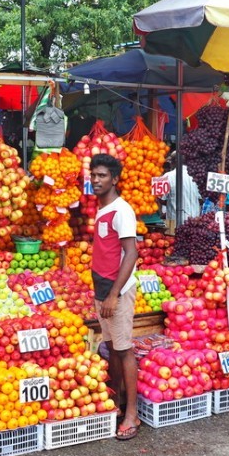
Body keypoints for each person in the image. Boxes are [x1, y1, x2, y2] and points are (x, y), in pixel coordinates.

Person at [90, 153, 140, 441]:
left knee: (124, 350)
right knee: (111, 349)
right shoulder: (101, 209)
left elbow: (131, 253)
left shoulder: (122, 210)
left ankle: (131, 414)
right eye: (94, 175)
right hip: (102, 288)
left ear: (115, 179)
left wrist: (112, 295)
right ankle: (117, 402)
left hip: (116, 291)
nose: (96, 180)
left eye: (102, 176)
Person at [160, 152, 201, 231]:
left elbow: (160, 199)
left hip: (173, 223)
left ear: (174, 162)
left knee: (172, 242)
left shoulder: (166, 176)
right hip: (194, 222)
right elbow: (201, 200)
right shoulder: (196, 175)